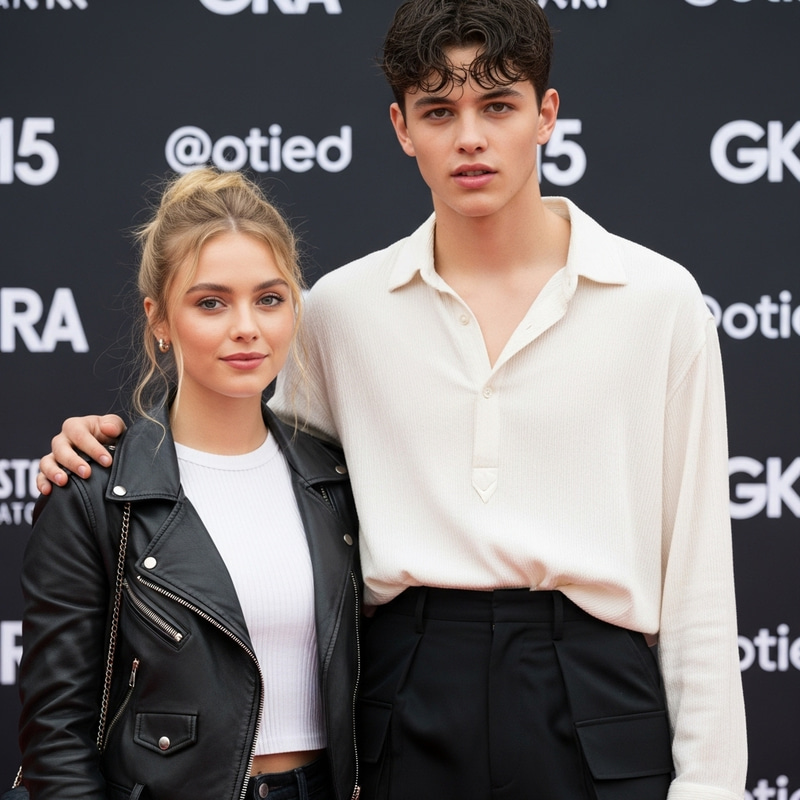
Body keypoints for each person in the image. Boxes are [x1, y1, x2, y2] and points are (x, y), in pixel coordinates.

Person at [38, 1, 747, 798]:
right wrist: (115, 453)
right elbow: (263, 481)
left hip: (600, 698)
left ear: (546, 116)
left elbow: (698, 583)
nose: (470, 137)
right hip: (405, 698)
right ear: (403, 127)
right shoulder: (341, 311)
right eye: (439, 111)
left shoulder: (658, 300)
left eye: (499, 106)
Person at [20, 168, 361, 800]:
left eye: (269, 298)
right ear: (159, 320)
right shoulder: (94, 492)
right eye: (211, 302)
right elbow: (55, 739)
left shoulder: (337, 479)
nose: (246, 327)